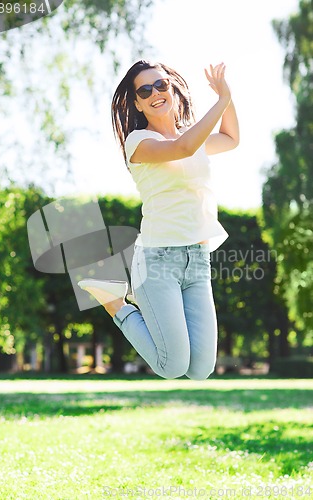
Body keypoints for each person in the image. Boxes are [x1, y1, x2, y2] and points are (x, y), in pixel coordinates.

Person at [78, 59, 239, 380]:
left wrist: (228, 96)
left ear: (173, 90)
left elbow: (231, 139)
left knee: (201, 369)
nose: (155, 93)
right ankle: (116, 304)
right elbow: (182, 147)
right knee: (172, 366)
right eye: (145, 90)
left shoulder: (192, 137)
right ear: (137, 102)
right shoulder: (138, 142)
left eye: (161, 84)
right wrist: (221, 100)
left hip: (197, 259)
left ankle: (136, 300)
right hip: (157, 259)